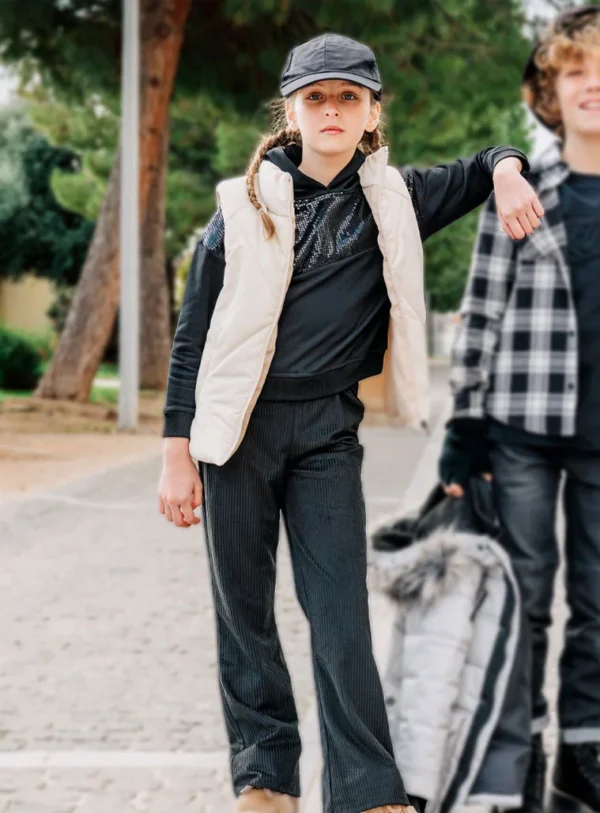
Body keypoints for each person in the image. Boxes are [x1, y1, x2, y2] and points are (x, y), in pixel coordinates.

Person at [159, 32, 540, 813]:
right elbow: (192, 334)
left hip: (328, 431)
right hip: (235, 433)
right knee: (244, 613)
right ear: (291, 112)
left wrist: (507, 173)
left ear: (372, 113)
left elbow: (489, 158)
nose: (331, 110)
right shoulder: (239, 206)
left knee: (340, 615)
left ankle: (367, 791)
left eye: (348, 97)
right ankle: (265, 779)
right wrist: (176, 452)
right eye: (316, 97)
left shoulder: (399, 197)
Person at [440, 7, 600, 813]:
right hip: (522, 429)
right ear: (550, 89)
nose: (592, 85)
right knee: (525, 595)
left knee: (599, 605)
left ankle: (584, 751)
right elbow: (483, 312)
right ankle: (517, 755)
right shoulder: (521, 188)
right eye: (576, 70)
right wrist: (463, 432)